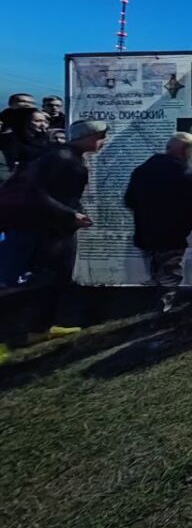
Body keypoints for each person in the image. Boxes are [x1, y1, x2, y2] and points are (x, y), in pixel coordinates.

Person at [0, 120, 107, 360]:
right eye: (100, 136)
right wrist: (70, 214)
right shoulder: (63, 159)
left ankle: (41, 328)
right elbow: (36, 194)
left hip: (55, 227)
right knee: (42, 280)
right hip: (46, 229)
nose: (103, 141)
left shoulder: (65, 156)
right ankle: (13, 335)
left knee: (57, 278)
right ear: (88, 136)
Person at [123, 133, 192, 313]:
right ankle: (165, 304)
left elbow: (129, 200)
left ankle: (156, 298)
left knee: (155, 267)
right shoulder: (185, 173)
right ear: (186, 151)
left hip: (146, 232)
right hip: (173, 234)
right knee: (170, 271)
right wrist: (185, 228)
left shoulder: (142, 169)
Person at [0, 108, 51, 185]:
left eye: (44, 121)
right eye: (37, 121)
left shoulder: (43, 139)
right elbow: (9, 164)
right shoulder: (11, 139)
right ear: (24, 122)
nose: (43, 124)